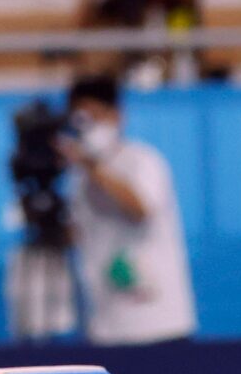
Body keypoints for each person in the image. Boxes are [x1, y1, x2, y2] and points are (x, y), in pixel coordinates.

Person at [62, 72, 195, 345]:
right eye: (81, 119)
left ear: (118, 115)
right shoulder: (76, 179)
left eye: (96, 116)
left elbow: (140, 208)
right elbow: (76, 235)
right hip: (106, 326)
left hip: (159, 323)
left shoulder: (143, 160)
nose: (89, 127)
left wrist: (92, 167)